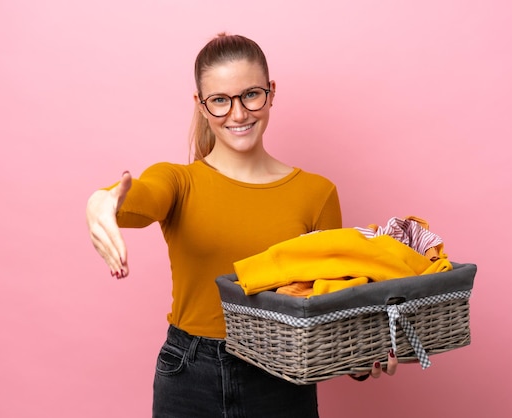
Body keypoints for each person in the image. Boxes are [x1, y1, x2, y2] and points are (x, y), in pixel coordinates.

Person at [86, 33, 397, 418]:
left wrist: (360, 358)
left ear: (271, 91)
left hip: (282, 376)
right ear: (200, 106)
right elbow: (138, 196)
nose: (238, 114)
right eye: (220, 100)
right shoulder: (179, 182)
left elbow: (328, 301)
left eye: (251, 94)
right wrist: (101, 200)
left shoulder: (316, 193)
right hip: (189, 374)